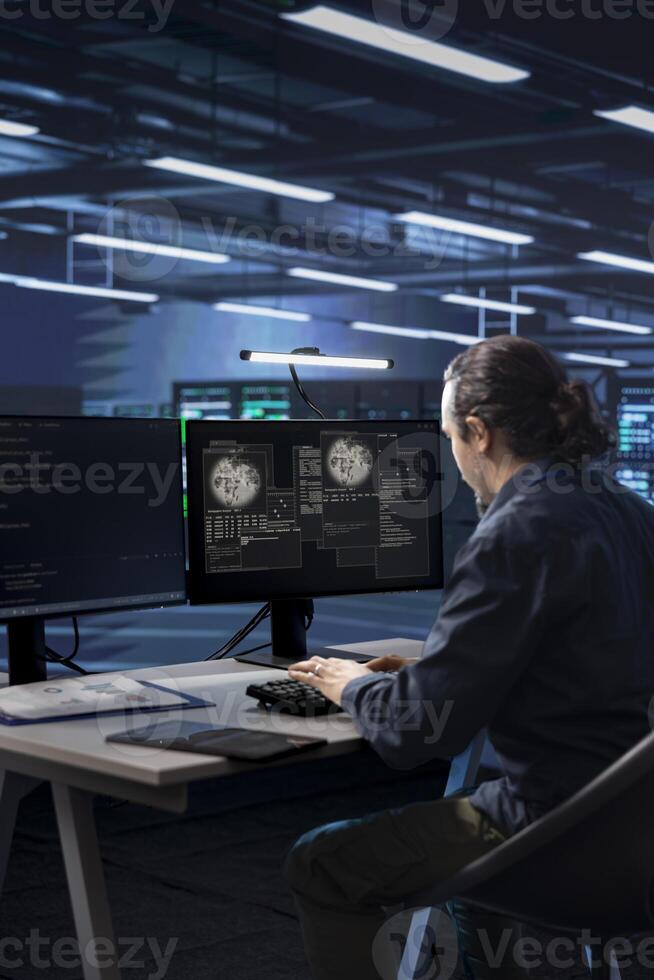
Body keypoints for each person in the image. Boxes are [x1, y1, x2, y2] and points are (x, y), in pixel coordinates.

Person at [283, 335, 654, 980]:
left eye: (450, 437)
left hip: (563, 830)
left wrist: (348, 686)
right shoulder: (628, 511)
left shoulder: (514, 531)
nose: (452, 457)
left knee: (321, 862)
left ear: (478, 433)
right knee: (465, 857)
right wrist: (444, 665)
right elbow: (586, 647)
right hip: (638, 828)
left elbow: (420, 729)